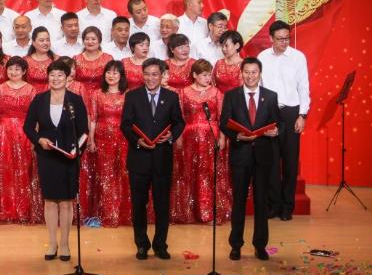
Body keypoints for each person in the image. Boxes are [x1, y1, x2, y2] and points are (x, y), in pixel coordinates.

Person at [23, 60, 89, 262]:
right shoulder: (39, 99)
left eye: (60, 75)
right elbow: (28, 127)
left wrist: (76, 151)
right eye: (52, 75)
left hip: (68, 157)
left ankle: (65, 244)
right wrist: (39, 140)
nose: (56, 78)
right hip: (47, 156)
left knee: (67, 202)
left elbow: (84, 131)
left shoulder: (75, 100)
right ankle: (52, 243)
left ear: (68, 78)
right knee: (50, 201)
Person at [120, 58, 186, 260]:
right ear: (142, 75)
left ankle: (160, 245)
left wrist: (172, 136)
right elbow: (125, 125)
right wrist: (137, 141)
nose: (150, 78)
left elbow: (179, 122)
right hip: (139, 159)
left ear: (162, 75)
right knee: (139, 205)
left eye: (155, 74)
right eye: (147, 74)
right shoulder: (132, 96)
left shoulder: (172, 97)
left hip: (162, 159)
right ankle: (142, 245)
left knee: (162, 205)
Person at [220, 57, 281, 261]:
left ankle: (260, 245)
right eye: (246, 72)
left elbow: (279, 123)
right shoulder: (232, 96)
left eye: (254, 72)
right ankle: (236, 245)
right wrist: (237, 136)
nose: (250, 76)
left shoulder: (270, 96)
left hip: (263, 156)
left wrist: (275, 131)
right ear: (241, 73)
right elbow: (224, 123)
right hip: (240, 155)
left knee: (261, 202)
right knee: (238, 201)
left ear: (260, 73)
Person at [258, 20, 310, 221]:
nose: (284, 42)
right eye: (280, 39)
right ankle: (274, 204)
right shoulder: (263, 57)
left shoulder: (298, 57)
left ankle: (288, 206)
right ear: (271, 38)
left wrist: (302, 115)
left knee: (290, 162)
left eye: (287, 38)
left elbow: (303, 87)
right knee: (271, 162)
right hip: (269, 113)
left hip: (291, 113)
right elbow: (259, 87)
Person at [172, 59, 231, 225]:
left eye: (209, 75)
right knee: (188, 173)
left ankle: (209, 213)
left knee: (209, 173)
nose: (208, 78)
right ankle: (188, 212)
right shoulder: (183, 93)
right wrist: (178, 138)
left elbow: (222, 118)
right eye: (204, 75)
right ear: (195, 75)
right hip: (188, 139)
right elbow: (179, 118)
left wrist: (222, 138)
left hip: (211, 138)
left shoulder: (216, 93)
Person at [0, 57, 39, 223]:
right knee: (5, 169)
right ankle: (6, 210)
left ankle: (24, 210)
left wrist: (35, 137)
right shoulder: (0, 88)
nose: (13, 72)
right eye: (10, 69)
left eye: (17, 69)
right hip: (4, 132)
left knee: (24, 168)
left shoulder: (31, 89)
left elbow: (35, 116)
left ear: (24, 71)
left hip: (25, 132)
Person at [87, 60, 130, 227]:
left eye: (115, 72)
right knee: (105, 175)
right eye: (109, 72)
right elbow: (93, 119)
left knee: (123, 173)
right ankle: (106, 213)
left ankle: (124, 213)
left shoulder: (128, 95)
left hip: (123, 138)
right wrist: (91, 139)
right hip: (102, 139)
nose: (111, 76)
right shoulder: (97, 94)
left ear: (121, 76)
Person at [73, 27, 114, 105]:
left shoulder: (108, 58)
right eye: (87, 39)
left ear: (99, 41)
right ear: (83, 41)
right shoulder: (76, 59)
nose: (90, 42)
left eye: (93, 39)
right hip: (80, 98)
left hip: (102, 99)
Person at [25, 26, 56, 93]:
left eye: (48, 40)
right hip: (30, 96)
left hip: (51, 96)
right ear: (33, 42)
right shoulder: (25, 61)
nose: (45, 43)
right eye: (41, 40)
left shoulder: (56, 60)